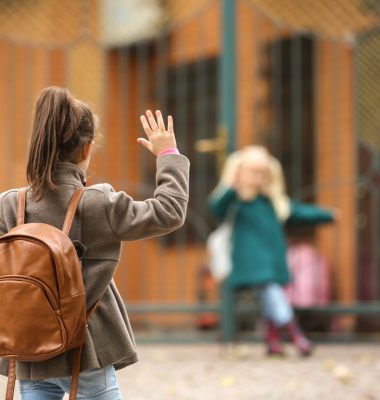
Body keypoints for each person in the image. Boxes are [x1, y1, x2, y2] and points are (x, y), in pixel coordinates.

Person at [0, 86, 190, 399]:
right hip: (84, 352)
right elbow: (168, 212)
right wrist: (168, 155)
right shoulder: (97, 203)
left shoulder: (10, 204)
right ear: (88, 149)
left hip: (29, 352)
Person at [209, 145, 337, 356]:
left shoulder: (272, 202)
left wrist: (328, 215)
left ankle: (273, 342)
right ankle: (297, 336)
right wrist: (232, 187)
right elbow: (216, 208)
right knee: (273, 294)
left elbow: (300, 212)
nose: (258, 178)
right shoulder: (237, 203)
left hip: (273, 260)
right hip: (253, 262)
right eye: (253, 173)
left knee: (271, 298)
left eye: (262, 173)